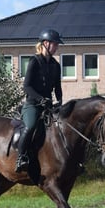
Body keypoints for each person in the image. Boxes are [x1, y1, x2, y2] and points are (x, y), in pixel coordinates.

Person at [16, 28, 64, 173]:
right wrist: (41, 99)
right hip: (33, 105)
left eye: (57, 45)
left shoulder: (56, 65)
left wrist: (60, 101)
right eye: (54, 44)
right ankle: (21, 157)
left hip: (48, 106)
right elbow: (27, 86)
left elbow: (57, 87)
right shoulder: (34, 61)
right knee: (30, 126)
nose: (56, 47)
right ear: (45, 44)